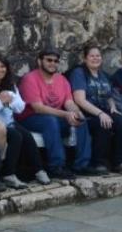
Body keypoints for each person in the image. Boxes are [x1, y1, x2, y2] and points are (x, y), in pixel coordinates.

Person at [0, 53, 50, 188]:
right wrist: (0, 102)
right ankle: (8, 174)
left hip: (9, 122)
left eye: (2, 66)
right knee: (16, 136)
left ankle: (39, 170)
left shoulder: (11, 85)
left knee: (27, 136)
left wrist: (10, 102)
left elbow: (20, 107)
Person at [18, 49, 93, 179]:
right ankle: (56, 166)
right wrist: (65, 114)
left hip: (55, 117)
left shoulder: (62, 80)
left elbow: (69, 102)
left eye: (55, 61)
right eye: (49, 60)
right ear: (39, 61)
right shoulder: (29, 79)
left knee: (81, 119)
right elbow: (38, 108)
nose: (52, 63)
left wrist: (76, 112)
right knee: (50, 121)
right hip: (30, 118)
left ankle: (81, 165)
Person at [70, 45, 122, 174]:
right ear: (85, 58)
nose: (95, 58)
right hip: (87, 113)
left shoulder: (103, 75)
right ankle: (99, 163)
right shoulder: (79, 73)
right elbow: (80, 100)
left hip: (104, 110)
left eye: (98, 56)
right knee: (102, 124)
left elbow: (108, 96)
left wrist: (113, 107)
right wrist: (101, 113)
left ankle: (119, 161)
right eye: (92, 56)